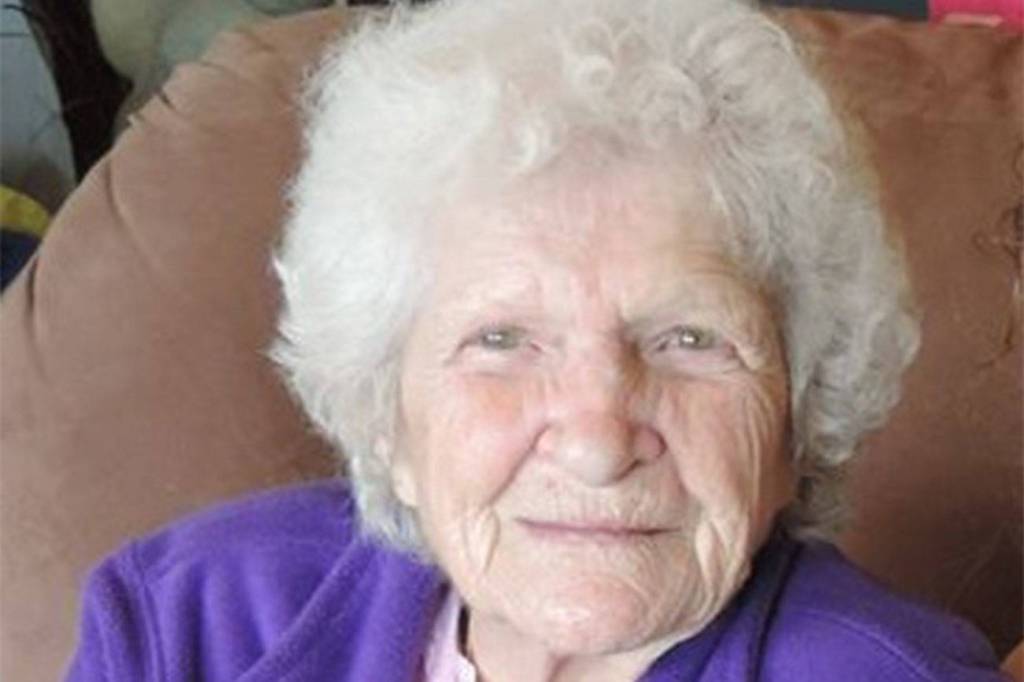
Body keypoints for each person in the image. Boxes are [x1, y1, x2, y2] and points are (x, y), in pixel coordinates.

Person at [63, 0, 1012, 679]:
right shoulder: (187, 623)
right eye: (504, 340)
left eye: (689, 338)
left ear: (798, 420)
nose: (597, 442)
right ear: (386, 417)